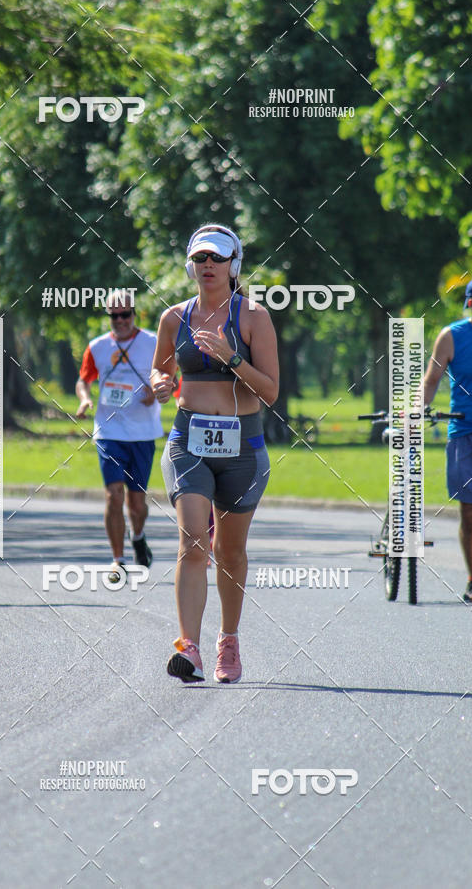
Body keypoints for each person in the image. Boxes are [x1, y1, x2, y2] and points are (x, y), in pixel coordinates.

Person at [151, 224, 279, 682]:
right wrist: (160, 385)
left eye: (217, 258)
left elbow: (269, 392)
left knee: (231, 551)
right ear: (191, 265)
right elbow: (159, 372)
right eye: (201, 258)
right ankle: (190, 648)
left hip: (243, 443)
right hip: (189, 442)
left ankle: (229, 639)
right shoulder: (173, 318)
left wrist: (231, 357)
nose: (208, 266)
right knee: (192, 541)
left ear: (233, 266)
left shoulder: (254, 318)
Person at [75, 290, 163, 570]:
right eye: (114, 315)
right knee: (114, 495)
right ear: (108, 316)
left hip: (142, 432)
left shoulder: (153, 342)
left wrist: (157, 389)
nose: (120, 320)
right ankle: (118, 560)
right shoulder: (98, 346)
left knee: (137, 504)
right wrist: (85, 398)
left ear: (134, 314)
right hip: (109, 431)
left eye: (125, 314)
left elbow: (170, 374)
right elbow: (83, 380)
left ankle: (138, 536)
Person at [424, 273, 472, 603]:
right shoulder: (451, 336)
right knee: (471, 515)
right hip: (465, 437)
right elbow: (431, 380)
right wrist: (419, 409)